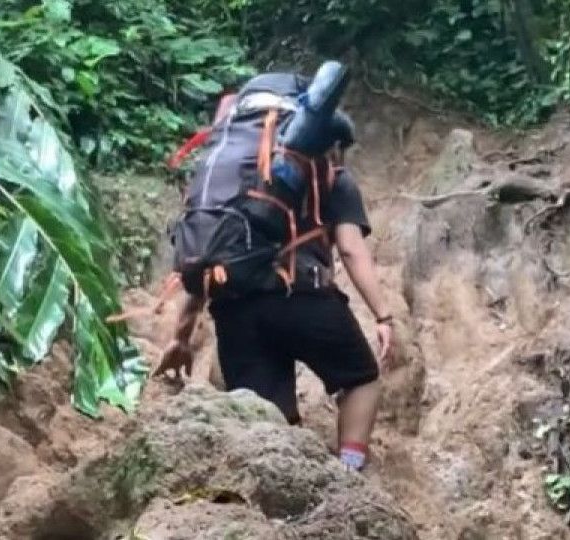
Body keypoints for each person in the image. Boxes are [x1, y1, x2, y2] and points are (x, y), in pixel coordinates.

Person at [155, 88, 393, 472]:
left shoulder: (238, 186)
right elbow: (351, 250)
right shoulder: (333, 179)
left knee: (268, 424)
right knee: (361, 379)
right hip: (303, 299)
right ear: (332, 145)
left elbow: (207, 261)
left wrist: (180, 338)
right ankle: (349, 472)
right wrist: (383, 316)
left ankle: (275, 491)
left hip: (236, 310)